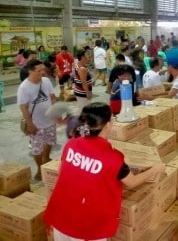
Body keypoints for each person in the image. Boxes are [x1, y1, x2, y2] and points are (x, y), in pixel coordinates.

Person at [43, 102, 165, 240]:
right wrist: (156, 169)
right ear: (108, 124)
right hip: (87, 227)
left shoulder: (71, 144)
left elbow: (62, 171)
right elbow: (131, 182)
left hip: (62, 217)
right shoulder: (113, 158)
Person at [17, 59, 57, 180]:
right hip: (36, 123)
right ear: (30, 71)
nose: (42, 73)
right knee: (37, 148)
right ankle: (40, 168)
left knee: (50, 141)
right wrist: (30, 124)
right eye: (39, 71)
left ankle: (46, 158)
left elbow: (52, 97)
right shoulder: (24, 87)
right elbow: (24, 108)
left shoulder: (46, 81)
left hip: (50, 120)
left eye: (43, 70)